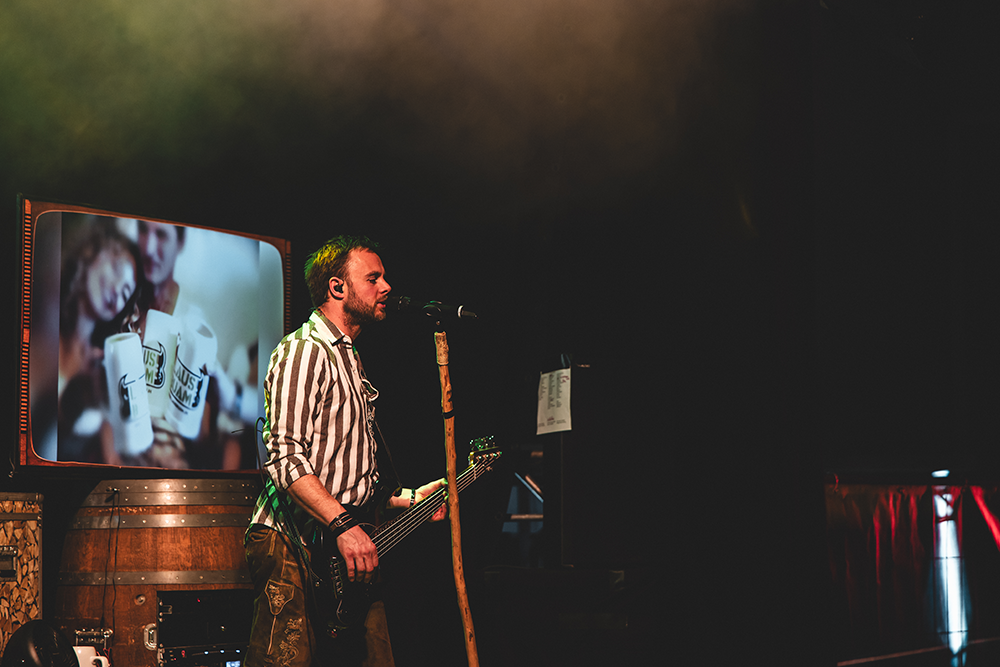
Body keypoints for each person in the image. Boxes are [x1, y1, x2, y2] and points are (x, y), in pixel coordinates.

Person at [244, 235, 446, 667]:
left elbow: (345, 472)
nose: (386, 287)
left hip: (343, 543)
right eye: (373, 278)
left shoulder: (348, 358)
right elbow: (285, 457)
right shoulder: (305, 351)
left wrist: (407, 499)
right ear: (337, 287)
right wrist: (344, 525)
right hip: (293, 542)